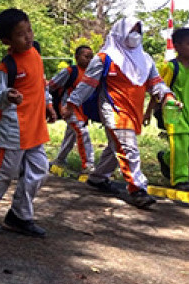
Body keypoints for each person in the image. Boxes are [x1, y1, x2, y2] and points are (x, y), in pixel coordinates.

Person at [63, 18, 177, 209]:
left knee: (115, 148)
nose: (135, 34)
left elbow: (155, 83)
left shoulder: (145, 59)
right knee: (128, 149)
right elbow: (87, 85)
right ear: (120, 32)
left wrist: (167, 96)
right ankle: (137, 189)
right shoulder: (104, 58)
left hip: (134, 112)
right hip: (113, 111)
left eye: (138, 30)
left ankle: (97, 179)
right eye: (131, 30)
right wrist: (71, 104)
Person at [0, 8, 56, 237]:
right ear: (7, 40)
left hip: (35, 128)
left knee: (39, 170)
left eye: (29, 30)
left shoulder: (35, 54)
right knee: (2, 173)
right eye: (21, 34)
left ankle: (19, 215)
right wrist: (8, 96)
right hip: (12, 130)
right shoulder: (7, 66)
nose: (28, 36)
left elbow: (40, 85)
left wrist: (48, 105)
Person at [147, 28, 189, 191]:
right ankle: (181, 179)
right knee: (180, 144)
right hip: (175, 113)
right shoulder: (171, 68)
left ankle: (165, 159)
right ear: (177, 46)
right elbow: (157, 90)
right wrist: (148, 111)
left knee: (186, 146)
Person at [48, 45, 95, 172]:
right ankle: (88, 164)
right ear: (77, 57)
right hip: (69, 109)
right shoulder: (69, 72)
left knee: (71, 135)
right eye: (86, 57)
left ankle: (60, 160)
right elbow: (51, 85)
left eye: (91, 57)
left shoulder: (92, 73)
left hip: (83, 111)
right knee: (82, 132)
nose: (89, 60)